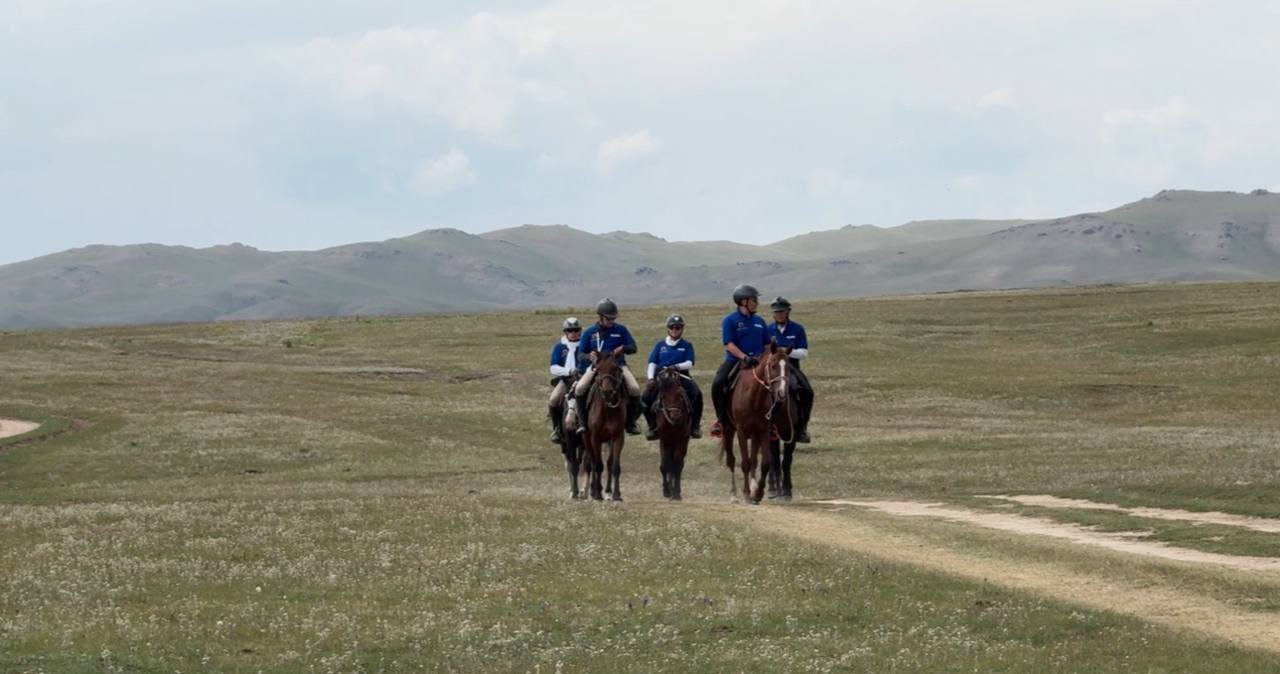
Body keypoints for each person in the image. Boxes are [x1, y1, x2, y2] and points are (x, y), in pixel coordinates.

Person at [573, 298, 643, 435]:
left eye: (613, 318)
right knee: (580, 388)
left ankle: (630, 423)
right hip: (596, 367)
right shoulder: (589, 332)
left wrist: (623, 348)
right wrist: (589, 356)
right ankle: (582, 423)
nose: (611, 321)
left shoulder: (621, 330)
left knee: (635, 389)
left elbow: (633, 347)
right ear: (600, 317)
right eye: (608, 318)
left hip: (618, 366)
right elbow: (580, 354)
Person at [710, 284, 768, 438]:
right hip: (736, 361)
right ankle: (721, 421)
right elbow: (729, 344)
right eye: (754, 300)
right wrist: (745, 357)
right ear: (744, 302)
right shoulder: (730, 320)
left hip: (759, 362)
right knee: (718, 384)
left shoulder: (760, 321)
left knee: (777, 384)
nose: (757, 303)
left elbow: (767, 345)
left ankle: (773, 423)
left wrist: (764, 359)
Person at [641, 314, 704, 440]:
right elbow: (652, 363)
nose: (675, 330)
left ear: (682, 329)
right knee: (645, 397)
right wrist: (651, 378)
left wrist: (676, 367)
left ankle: (695, 426)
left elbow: (690, 363)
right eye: (672, 327)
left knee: (697, 394)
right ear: (668, 329)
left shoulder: (687, 345)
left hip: (681, 375)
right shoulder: (660, 345)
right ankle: (652, 426)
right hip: (662, 376)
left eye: (678, 327)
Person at [766, 297, 813, 443]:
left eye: (782, 311)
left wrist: (785, 352)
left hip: (791, 367)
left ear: (788, 312)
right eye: (776, 312)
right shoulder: (768, 330)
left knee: (807, 392)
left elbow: (804, 352)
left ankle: (801, 428)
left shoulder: (797, 329)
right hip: (773, 368)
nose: (779, 314)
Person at [547, 317, 582, 443]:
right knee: (553, 399)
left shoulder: (585, 345)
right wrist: (569, 371)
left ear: (580, 331)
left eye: (576, 330)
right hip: (565, 380)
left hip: (582, 379)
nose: (573, 333)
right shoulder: (559, 347)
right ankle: (556, 428)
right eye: (570, 330)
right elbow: (553, 367)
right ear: (565, 332)